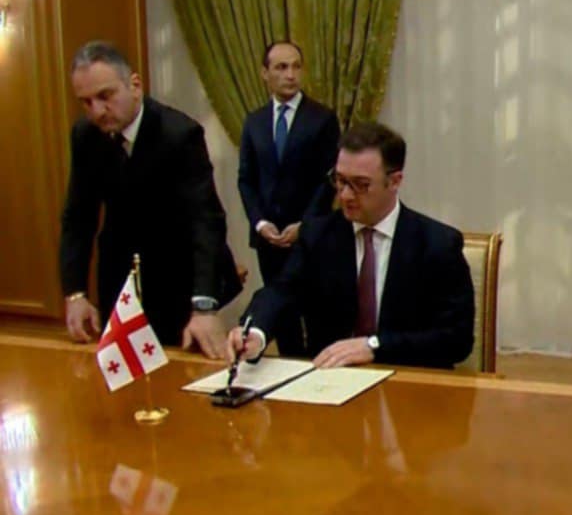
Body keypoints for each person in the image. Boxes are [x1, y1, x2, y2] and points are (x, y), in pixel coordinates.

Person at [227, 122, 474, 368]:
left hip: (407, 378)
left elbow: (456, 339)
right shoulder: (318, 234)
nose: (345, 195)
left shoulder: (437, 244)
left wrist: (375, 347)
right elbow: (281, 291)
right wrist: (256, 332)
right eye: (340, 180)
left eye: (360, 184)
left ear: (395, 181)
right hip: (330, 377)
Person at [59, 40, 241, 358]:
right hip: (119, 278)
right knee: (121, 372)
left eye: (105, 96)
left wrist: (204, 306)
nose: (97, 111)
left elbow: (206, 222)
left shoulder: (180, 134)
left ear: (135, 85)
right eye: (86, 102)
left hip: (177, 275)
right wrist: (75, 293)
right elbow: (78, 218)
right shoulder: (85, 135)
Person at [237, 41, 340, 354]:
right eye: (281, 67)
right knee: (281, 316)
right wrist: (260, 223)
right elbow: (246, 180)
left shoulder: (322, 118)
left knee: (316, 314)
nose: (290, 75)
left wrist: (306, 225)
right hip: (269, 239)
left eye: (296, 66)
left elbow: (329, 180)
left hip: (310, 236)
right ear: (264, 73)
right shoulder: (254, 122)